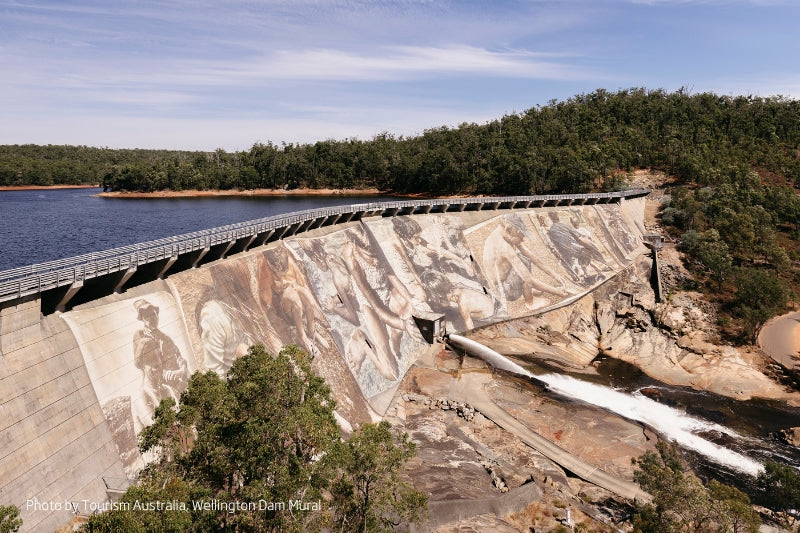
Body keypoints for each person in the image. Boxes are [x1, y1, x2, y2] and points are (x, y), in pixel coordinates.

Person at [132, 299, 188, 413]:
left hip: (175, 381)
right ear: (143, 319)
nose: (152, 318)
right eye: (147, 316)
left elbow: (181, 359)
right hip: (156, 384)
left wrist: (180, 372)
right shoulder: (140, 335)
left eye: (153, 314)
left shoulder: (166, 338)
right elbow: (138, 363)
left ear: (158, 315)